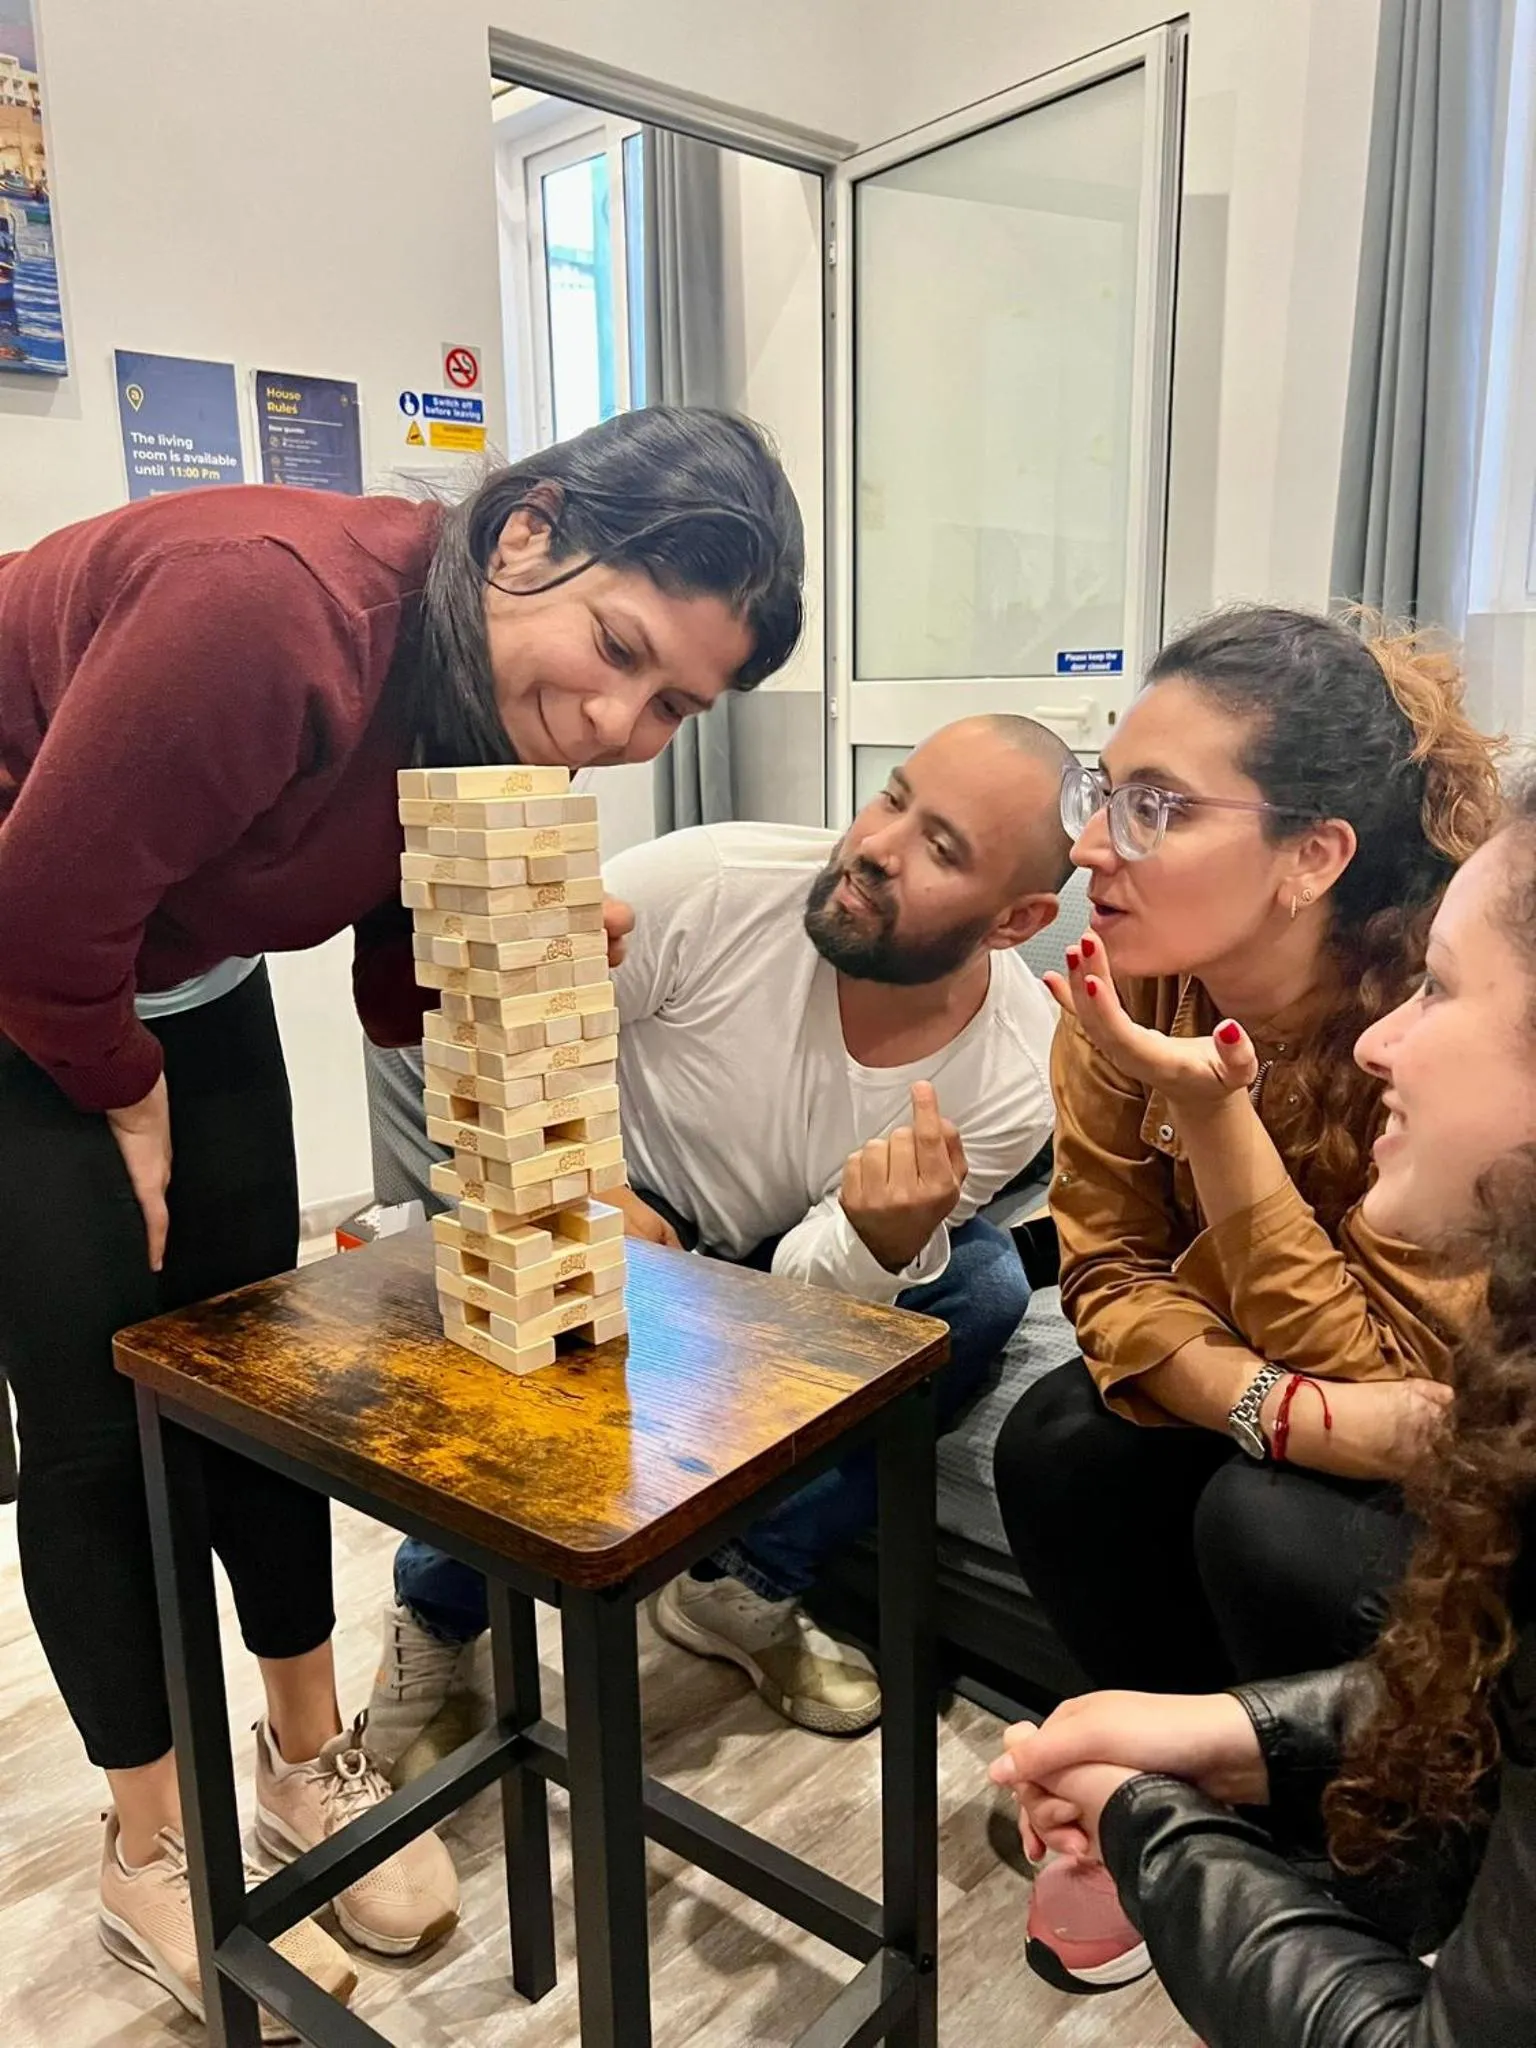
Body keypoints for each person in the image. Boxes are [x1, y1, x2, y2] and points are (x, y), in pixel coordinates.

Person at [0, 405, 804, 2037]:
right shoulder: (267, 609)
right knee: (95, 1424)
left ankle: (307, 1758)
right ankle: (149, 1842)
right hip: (21, 945)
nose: (617, 721)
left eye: (673, 704)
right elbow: (43, 912)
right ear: (528, 532)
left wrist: (517, 941)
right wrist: (122, 1086)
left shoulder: (487, 691)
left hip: (177, 960)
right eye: (618, 647)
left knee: (253, 1369)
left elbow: (391, 954)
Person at [366, 714, 1071, 1773]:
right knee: (543, 1270)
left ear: (1016, 919)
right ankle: (437, 1613)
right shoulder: (706, 884)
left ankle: (738, 1583)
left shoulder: (1015, 1070)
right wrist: (589, 1185)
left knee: (979, 1287)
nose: (876, 845)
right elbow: (493, 1038)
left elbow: (802, 1292)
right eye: (893, 797)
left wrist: (878, 1240)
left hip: (776, 1251)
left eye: (941, 847)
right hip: (616, 1190)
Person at [988, 605, 1502, 1992]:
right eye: (1104, 792)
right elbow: (1105, 1270)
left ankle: (1362, 1871)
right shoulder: (1126, 981)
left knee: (1266, 1523)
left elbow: (1415, 1384)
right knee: (1060, 1441)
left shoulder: (1428, 1023)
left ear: (1312, 857)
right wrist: (1277, 1408)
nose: (1091, 846)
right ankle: (1166, 1777)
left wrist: (1218, 1122)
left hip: (1451, 1457)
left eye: (1157, 807)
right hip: (1310, 1402)